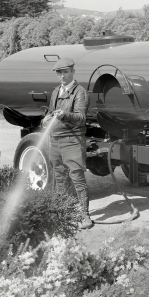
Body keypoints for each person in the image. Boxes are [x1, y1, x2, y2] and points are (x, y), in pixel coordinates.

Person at [42, 57, 92, 229]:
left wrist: (64, 114)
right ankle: (60, 212)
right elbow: (50, 112)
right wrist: (46, 119)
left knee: (77, 177)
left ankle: (85, 216)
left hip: (72, 139)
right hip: (55, 139)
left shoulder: (80, 92)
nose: (62, 76)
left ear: (72, 72)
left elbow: (80, 118)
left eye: (65, 72)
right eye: (59, 73)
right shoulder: (56, 91)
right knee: (59, 176)